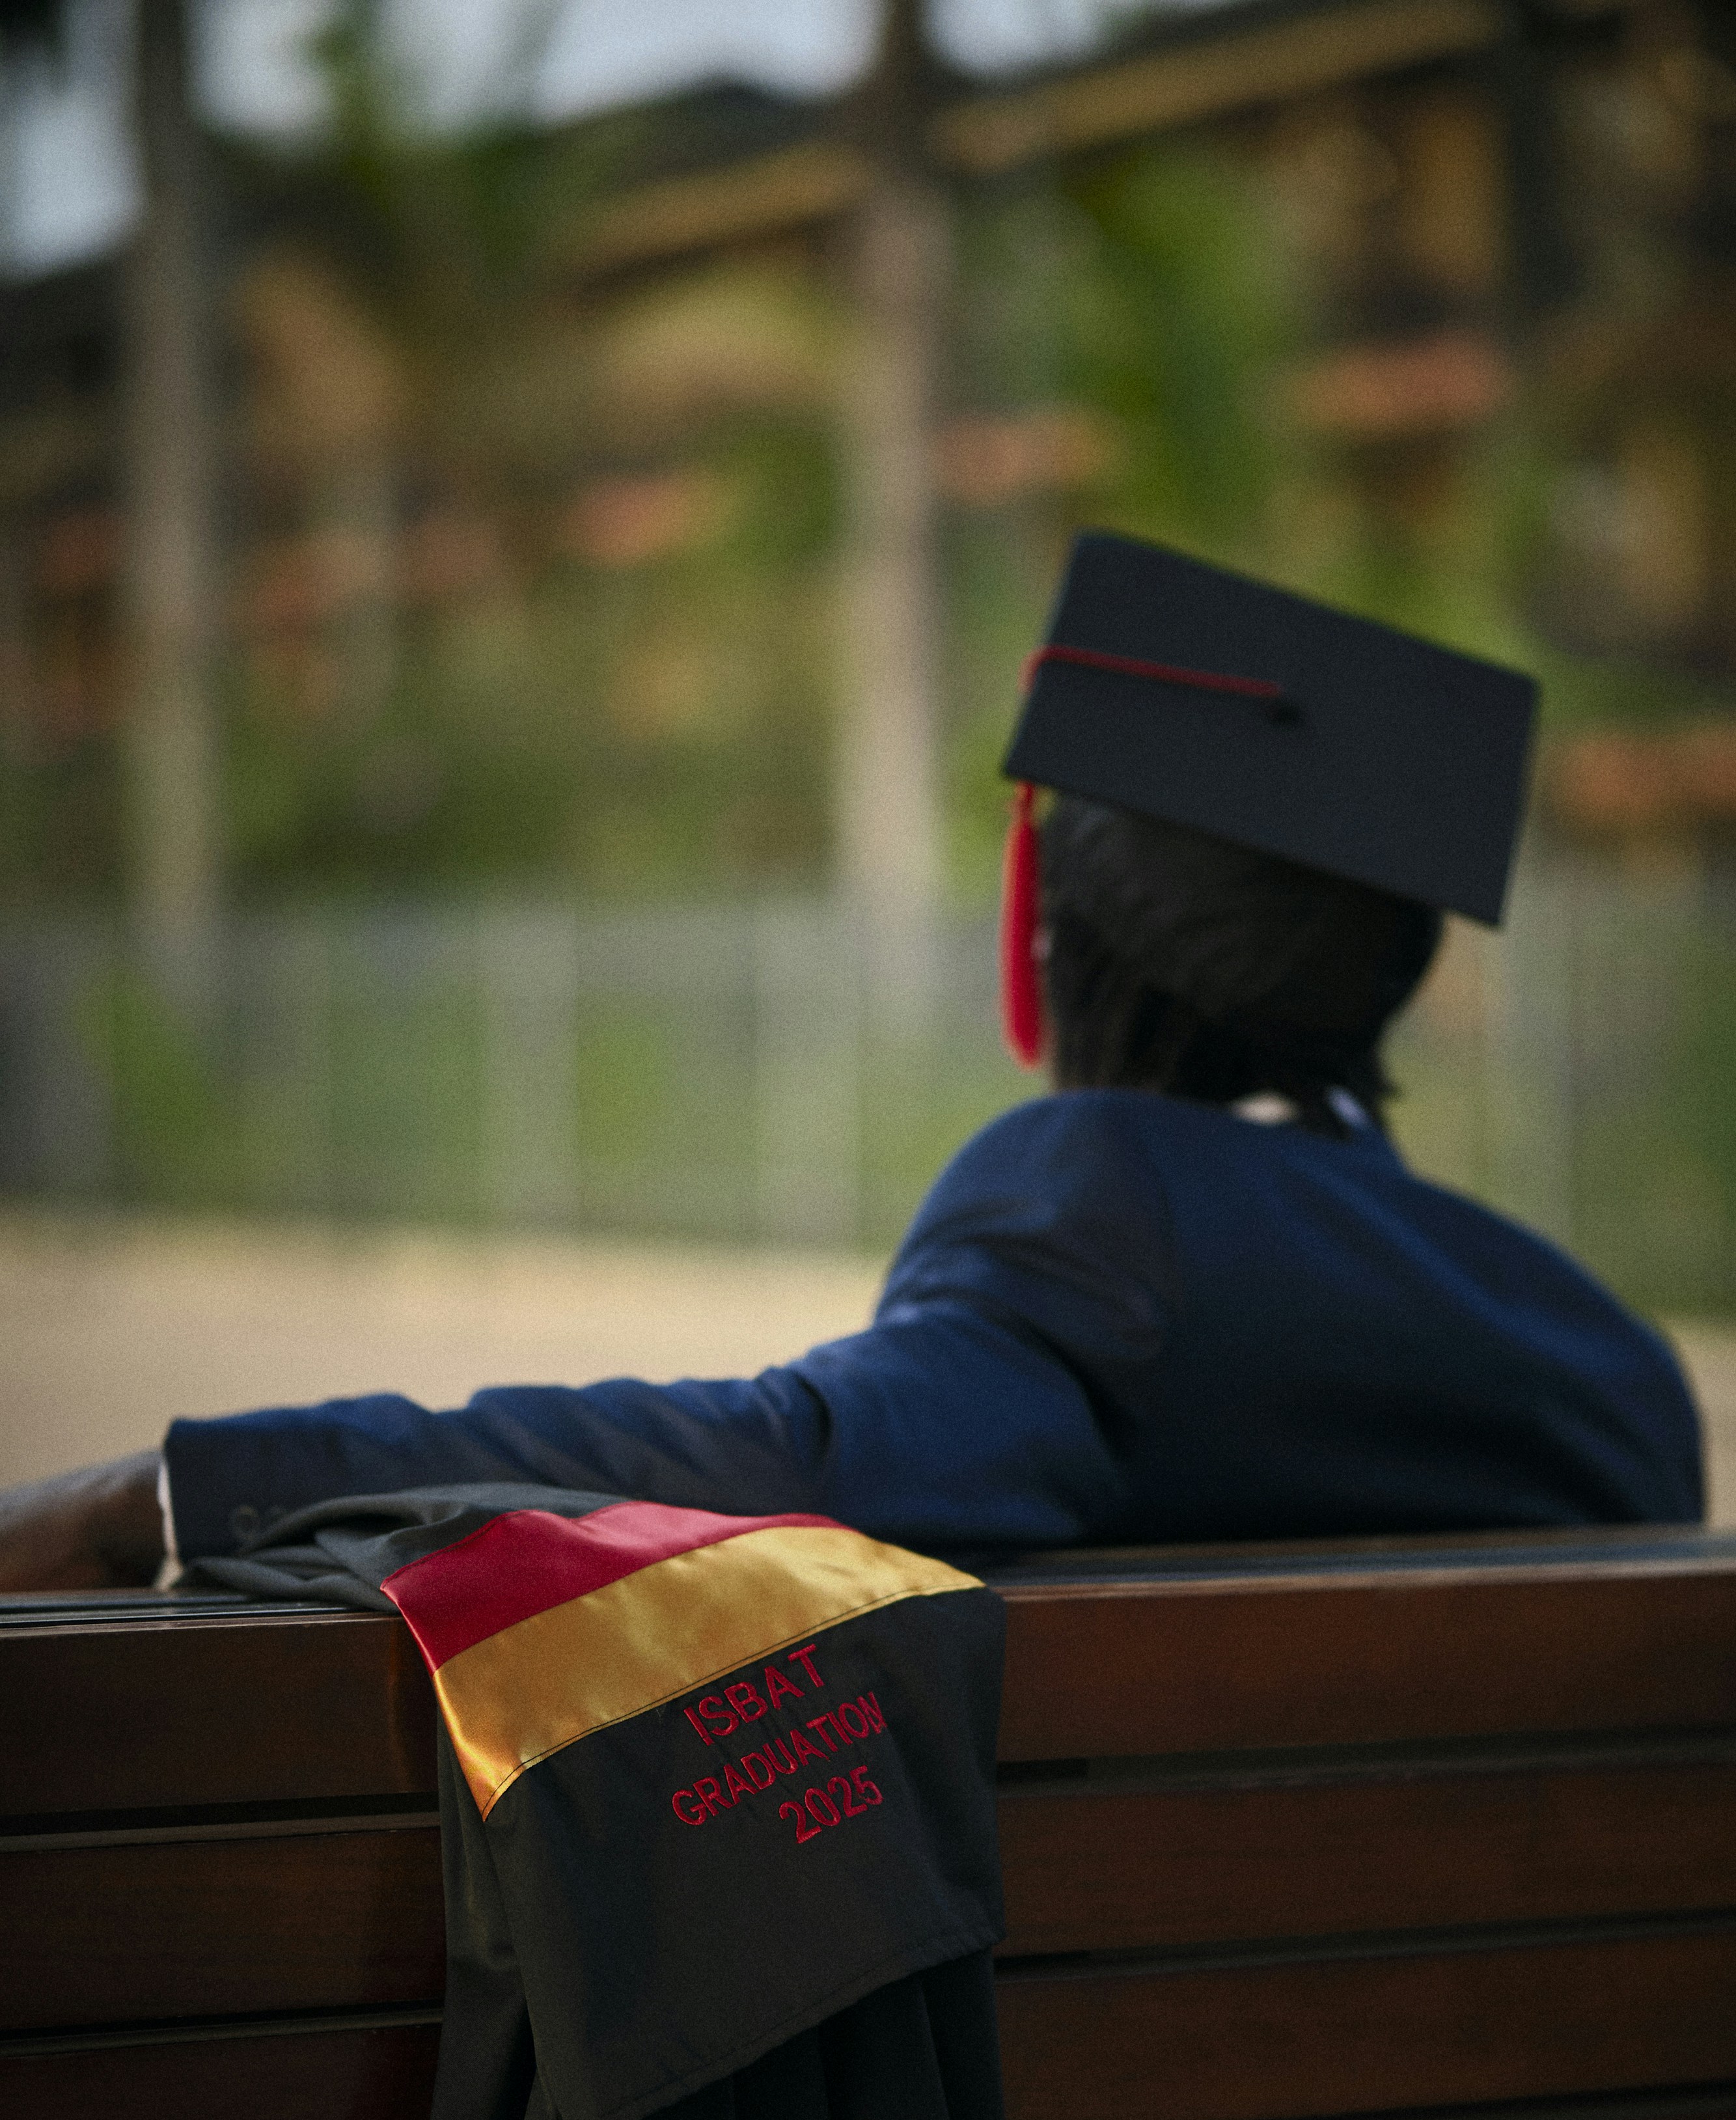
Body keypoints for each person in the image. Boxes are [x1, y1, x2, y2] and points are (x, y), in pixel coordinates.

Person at [0, 532, 1702, 1591]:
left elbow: (796, 1458)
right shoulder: (1606, 1366)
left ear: (1056, 932)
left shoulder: (1106, 1209)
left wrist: (171, 1492)